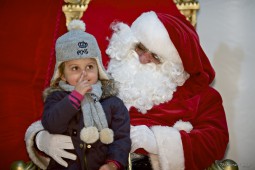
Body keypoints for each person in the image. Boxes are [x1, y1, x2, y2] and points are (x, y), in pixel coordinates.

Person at [25, 11, 229, 170]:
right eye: (140, 47)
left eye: (155, 56)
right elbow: (52, 113)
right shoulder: (102, 79)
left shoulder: (201, 97)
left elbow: (215, 141)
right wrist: (41, 139)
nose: (142, 58)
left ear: (174, 65)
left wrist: (157, 141)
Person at [33, 19, 131, 170]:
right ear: (63, 75)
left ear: (98, 69)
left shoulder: (113, 102)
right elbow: (51, 124)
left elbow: (121, 138)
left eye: (90, 67)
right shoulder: (57, 98)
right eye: (75, 68)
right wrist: (74, 98)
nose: (83, 74)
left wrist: (113, 164)